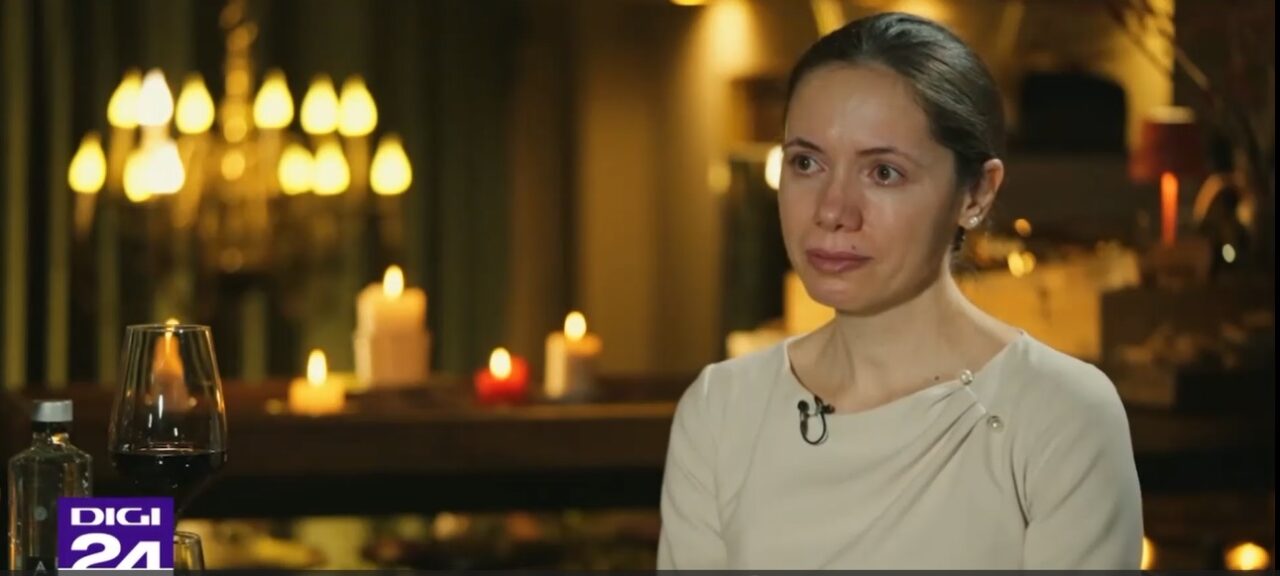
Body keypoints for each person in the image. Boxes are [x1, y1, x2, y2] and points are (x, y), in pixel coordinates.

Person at [657, 12, 1142, 569]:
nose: (832, 211)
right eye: (806, 163)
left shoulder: (1061, 415)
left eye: (883, 172)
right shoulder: (721, 412)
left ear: (977, 194)